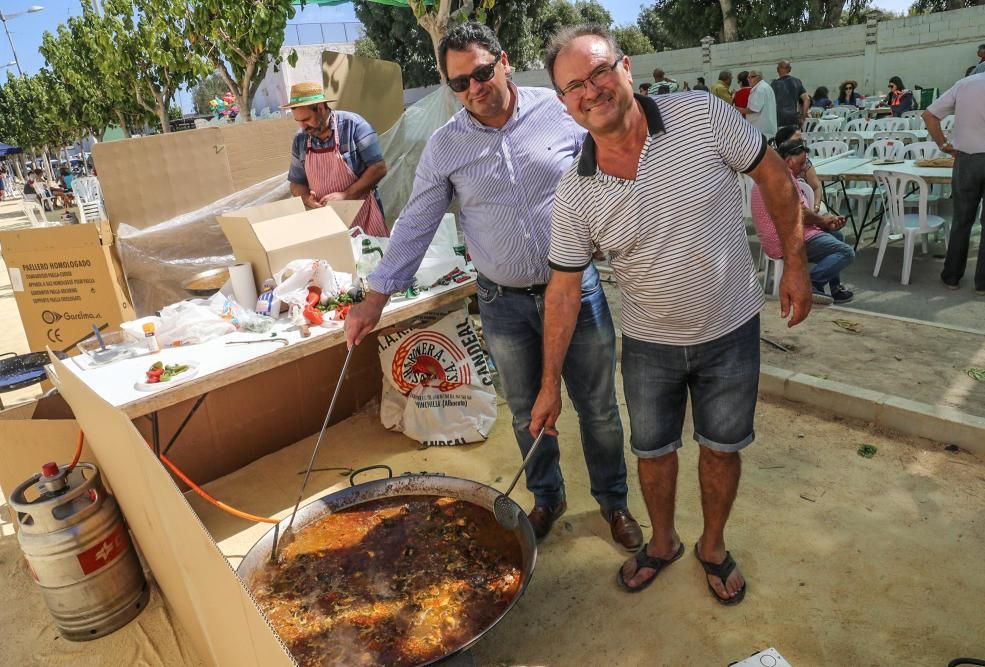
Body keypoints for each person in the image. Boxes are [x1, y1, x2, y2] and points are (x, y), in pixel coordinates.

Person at [534, 24, 812, 603]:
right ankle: (663, 543)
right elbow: (562, 291)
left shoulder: (702, 117)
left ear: (627, 68)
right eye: (575, 86)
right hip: (648, 346)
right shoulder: (574, 191)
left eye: (600, 71)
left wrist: (794, 262)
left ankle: (712, 546)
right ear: (564, 103)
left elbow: (771, 174)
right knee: (652, 453)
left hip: (730, 330)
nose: (592, 91)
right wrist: (547, 385)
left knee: (721, 447)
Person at [344, 22, 644, 549]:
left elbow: (613, 164)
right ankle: (547, 497)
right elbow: (415, 222)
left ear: (503, 61)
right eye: (459, 83)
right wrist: (374, 300)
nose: (474, 88)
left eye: (481, 72)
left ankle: (614, 502)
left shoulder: (560, 111)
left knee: (597, 406)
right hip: (503, 304)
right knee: (528, 412)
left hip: (577, 292)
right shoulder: (445, 146)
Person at [925, 45, 985, 296]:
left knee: (962, 220)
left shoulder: (966, 83)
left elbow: (929, 115)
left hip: (966, 160)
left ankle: (951, 276)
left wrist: (943, 144)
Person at [753, 138, 855, 304]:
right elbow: (799, 214)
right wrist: (822, 220)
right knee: (846, 252)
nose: (803, 169)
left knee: (837, 235)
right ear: (788, 160)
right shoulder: (779, 178)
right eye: (801, 163)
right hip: (785, 239)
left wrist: (824, 222)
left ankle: (832, 287)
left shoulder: (775, 174)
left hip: (788, 233)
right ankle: (810, 284)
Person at [283, 81, 389, 236]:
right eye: (298, 121)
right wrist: (306, 198)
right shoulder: (301, 139)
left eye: (306, 119)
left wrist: (347, 195)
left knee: (369, 258)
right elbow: (296, 183)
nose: (303, 126)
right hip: (328, 224)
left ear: (320, 108)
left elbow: (378, 168)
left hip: (365, 218)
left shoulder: (354, 126)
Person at [772, 125, 823, 208]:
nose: (800, 145)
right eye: (797, 141)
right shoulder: (774, 169)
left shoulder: (804, 163)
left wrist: (816, 206)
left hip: (809, 204)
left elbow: (816, 187)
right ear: (784, 144)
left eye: (801, 141)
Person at [771, 60, 810, 127]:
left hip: (778, 118)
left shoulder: (774, 84)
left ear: (777, 70)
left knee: (782, 137)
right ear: (790, 69)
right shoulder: (797, 81)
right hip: (793, 117)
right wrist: (803, 116)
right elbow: (807, 99)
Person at [743, 70, 777, 139]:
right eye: (748, 77)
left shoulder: (759, 89)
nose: (749, 79)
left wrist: (737, 109)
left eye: (752, 77)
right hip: (766, 128)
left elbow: (754, 109)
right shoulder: (765, 86)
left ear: (759, 77)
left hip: (760, 129)